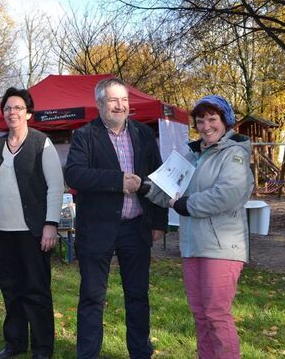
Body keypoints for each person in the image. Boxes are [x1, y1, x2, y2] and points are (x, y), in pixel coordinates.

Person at [132, 95, 253, 358]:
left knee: (216, 314)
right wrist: (143, 186)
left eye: (213, 119)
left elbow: (228, 194)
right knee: (201, 315)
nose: (206, 126)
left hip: (221, 247)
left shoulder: (234, 155)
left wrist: (187, 205)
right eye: (201, 121)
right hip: (192, 246)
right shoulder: (192, 154)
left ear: (226, 122)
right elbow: (167, 190)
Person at [64, 77, 167, 359]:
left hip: (136, 227)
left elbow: (159, 179)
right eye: (113, 100)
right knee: (92, 298)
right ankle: (87, 354)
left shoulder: (144, 134)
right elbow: (74, 174)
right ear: (100, 104)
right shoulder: (85, 135)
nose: (120, 106)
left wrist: (159, 221)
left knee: (137, 296)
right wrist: (118, 180)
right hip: (97, 229)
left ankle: (140, 352)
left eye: (124, 100)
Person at [0, 87, 64, 359]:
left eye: (18, 108)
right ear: (3, 113)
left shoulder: (41, 143)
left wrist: (50, 224)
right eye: (8, 108)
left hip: (33, 232)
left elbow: (55, 187)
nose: (12, 112)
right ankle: (15, 343)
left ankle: (43, 348)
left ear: (29, 113)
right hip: (2, 231)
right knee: (10, 289)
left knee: (37, 290)